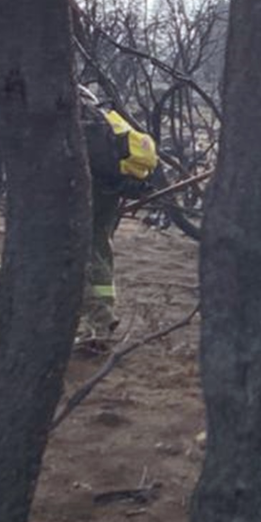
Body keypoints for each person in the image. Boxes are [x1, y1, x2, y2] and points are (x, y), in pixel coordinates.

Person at [75, 87, 158, 349]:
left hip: (88, 188)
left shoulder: (74, 114)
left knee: (68, 251)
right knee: (99, 247)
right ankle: (101, 318)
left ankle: (100, 317)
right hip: (111, 188)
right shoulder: (104, 119)